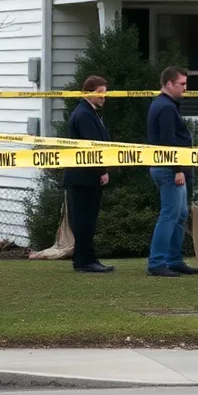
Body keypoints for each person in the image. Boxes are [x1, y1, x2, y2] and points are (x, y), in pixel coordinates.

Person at [146, 65, 198, 277]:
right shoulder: (166, 107)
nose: (185, 88)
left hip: (169, 167)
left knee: (180, 214)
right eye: (182, 84)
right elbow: (169, 141)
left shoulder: (165, 104)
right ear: (169, 83)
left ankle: (174, 259)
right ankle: (157, 262)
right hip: (169, 168)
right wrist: (177, 169)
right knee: (170, 214)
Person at [63, 75, 113, 274]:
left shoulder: (91, 113)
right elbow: (92, 145)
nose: (103, 97)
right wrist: (102, 171)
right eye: (100, 93)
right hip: (84, 176)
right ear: (88, 92)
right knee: (84, 219)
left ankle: (88, 258)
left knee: (88, 219)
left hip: (87, 176)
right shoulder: (84, 114)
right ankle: (84, 260)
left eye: (104, 93)